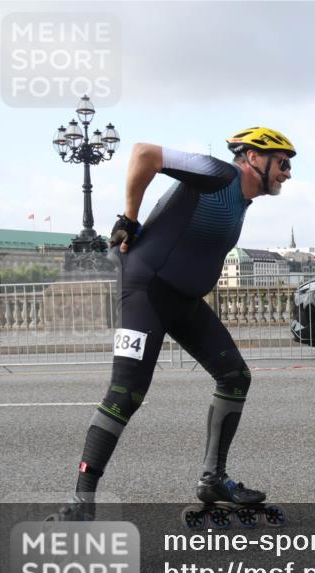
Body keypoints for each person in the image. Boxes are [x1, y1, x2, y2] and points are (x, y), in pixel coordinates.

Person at [53, 127, 295, 519]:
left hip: (182, 300)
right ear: (253, 157)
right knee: (126, 394)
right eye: (282, 163)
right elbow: (144, 153)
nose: (287, 173)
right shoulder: (219, 173)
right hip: (147, 292)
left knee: (235, 376)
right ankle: (80, 504)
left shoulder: (242, 201)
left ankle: (213, 478)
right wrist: (129, 218)